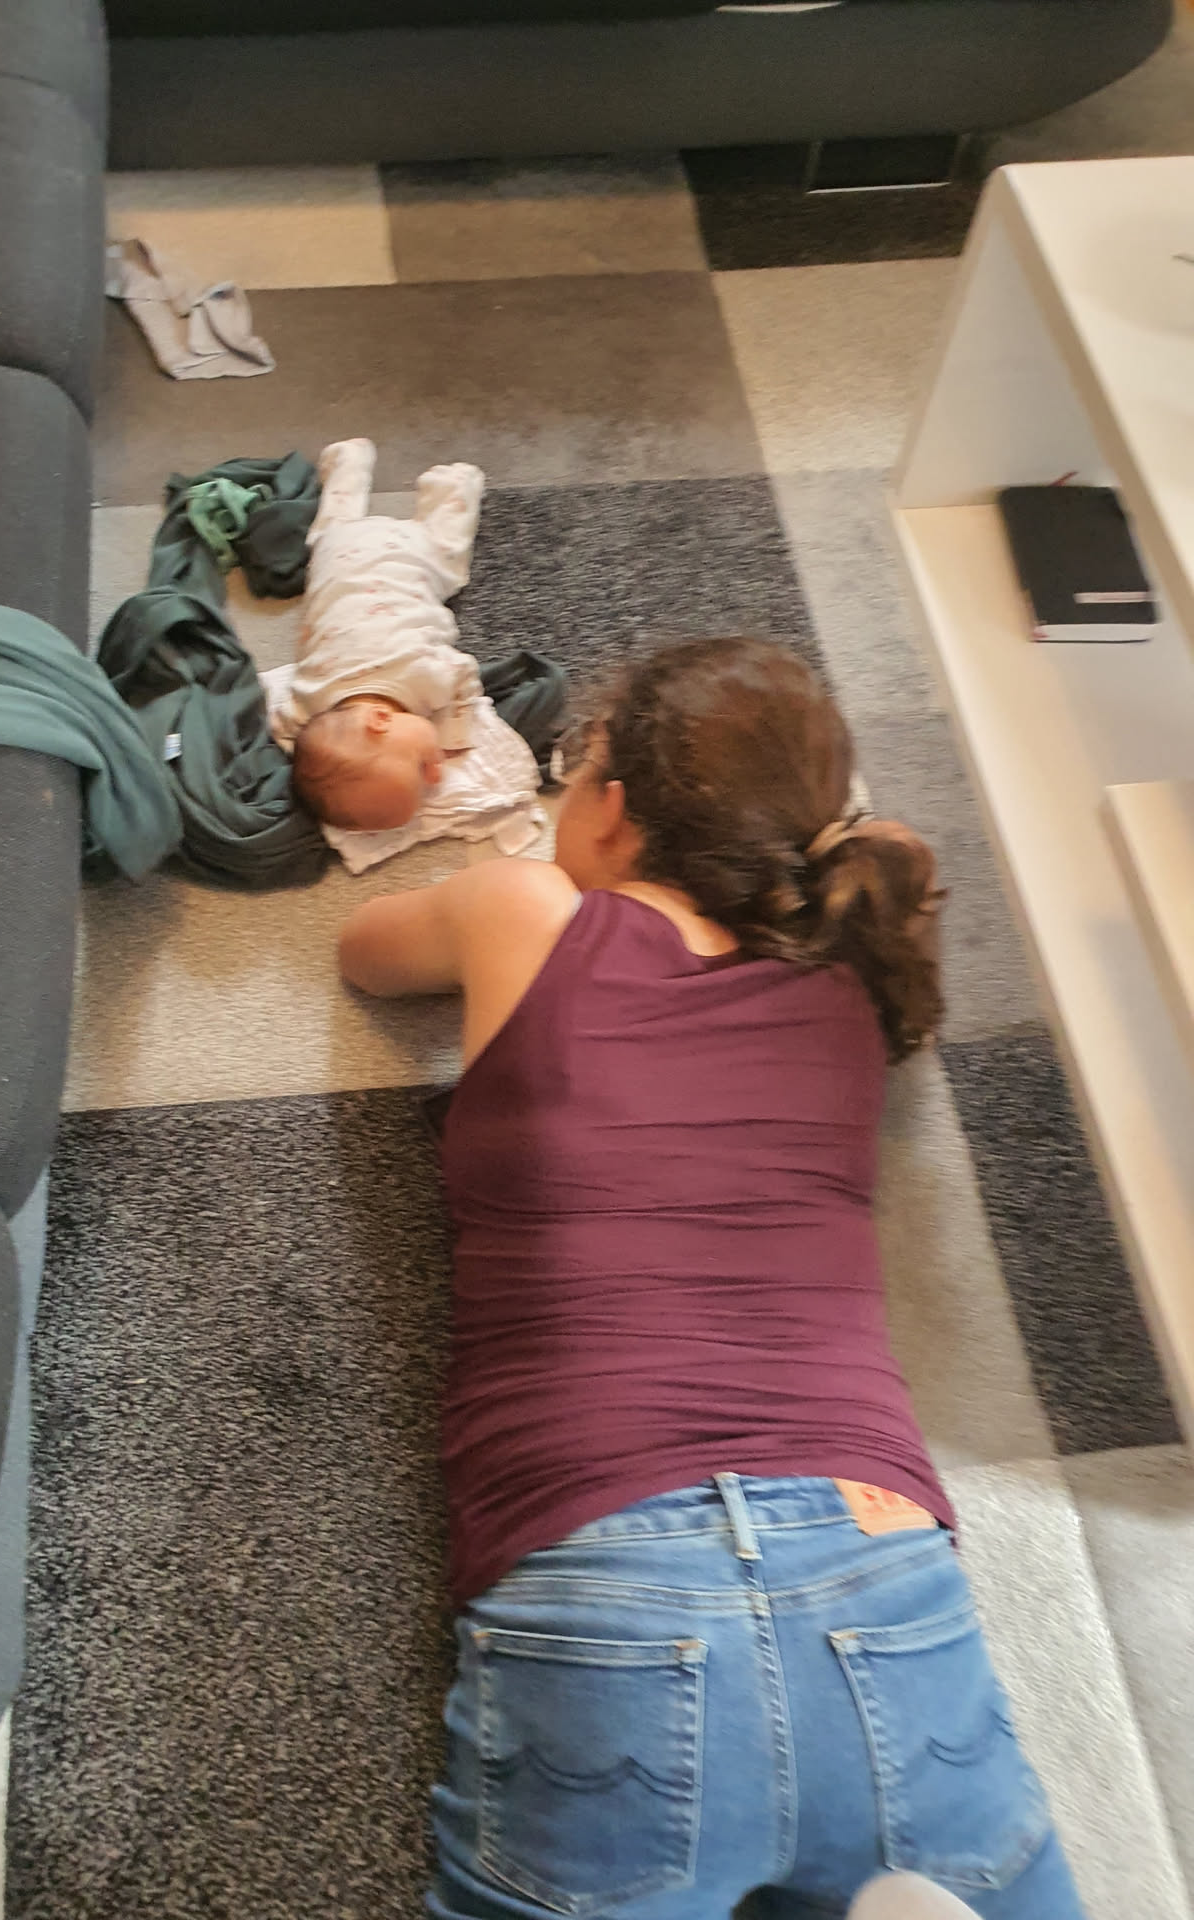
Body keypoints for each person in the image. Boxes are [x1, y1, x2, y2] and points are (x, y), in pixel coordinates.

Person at [337, 636, 1085, 1920]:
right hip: (882, 1566)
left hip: (607, 1568)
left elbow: (363, 951)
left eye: (577, 770)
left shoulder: (526, 910)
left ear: (613, 806)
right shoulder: (860, 958)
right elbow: (895, 847)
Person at [272, 437, 486, 831]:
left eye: (421, 767)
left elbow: (464, 673)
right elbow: (282, 725)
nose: (435, 775)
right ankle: (347, 460)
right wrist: (301, 752)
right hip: (337, 555)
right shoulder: (308, 702)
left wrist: (455, 730)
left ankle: (455, 485)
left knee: (449, 559)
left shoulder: (425, 676)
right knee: (331, 528)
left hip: (408, 554)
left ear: (381, 719)